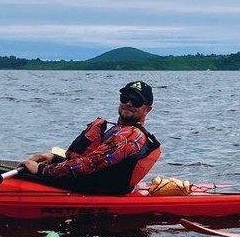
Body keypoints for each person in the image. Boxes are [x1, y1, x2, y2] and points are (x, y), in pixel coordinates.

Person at [20, 80, 161, 196]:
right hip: (89, 184)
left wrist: (41, 169)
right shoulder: (118, 130)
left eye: (136, 101)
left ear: (147, 109)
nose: (128, 103)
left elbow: (89, 164)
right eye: (125, 98)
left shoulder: (131, 136)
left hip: (97, 192)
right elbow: (90, 161)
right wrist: (53, 158)